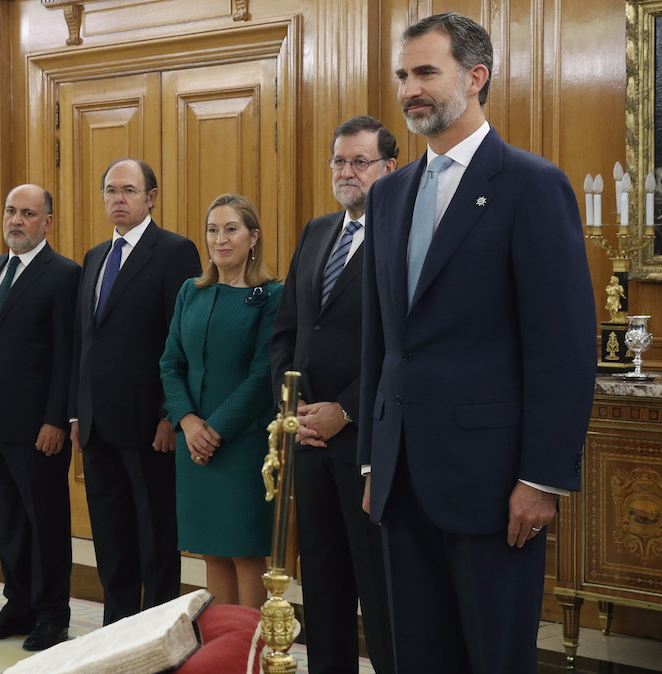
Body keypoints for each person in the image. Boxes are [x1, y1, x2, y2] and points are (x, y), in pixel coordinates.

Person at [357, 13, 596, 672]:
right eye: (404, 75)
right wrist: (374, 460)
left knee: (493, 658)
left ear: (476, 77)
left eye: (426, 72)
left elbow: (564, 346)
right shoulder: (388, 196)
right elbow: (380, 339)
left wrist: (542, 478)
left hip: (494, 486)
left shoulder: (530, 184)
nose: (410, 89)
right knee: (415, 658)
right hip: (401, 479)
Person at [269, 115, 395, 674]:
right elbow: (288, 332)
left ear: (389, 168)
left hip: (368, 443)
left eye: (360, 162)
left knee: (379, 588)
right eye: (340, 161)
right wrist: (293, 406)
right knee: (321, 582)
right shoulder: (318, 232)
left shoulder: (404, 235)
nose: (348, 172)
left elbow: (401, 347)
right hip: (310, 445)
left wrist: (343, 410)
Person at [70, 157, 202, 625]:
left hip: (150, 422)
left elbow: (181, 339)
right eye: (110, 191)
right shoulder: (93, 257)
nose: (117, 199)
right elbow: (83, 343)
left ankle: (158, 628)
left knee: (154, 532)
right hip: (96, 421)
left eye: (128, 190)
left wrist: (171, 414)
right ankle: (117, 624)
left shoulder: (174, 251)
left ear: (150, 197)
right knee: (109, 532)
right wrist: (75, 413)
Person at [0, 184, 80, 651]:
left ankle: (53, 614)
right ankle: (18, 604)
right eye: (10, 211)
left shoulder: (64, 274)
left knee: (45, 522)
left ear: (47, 222)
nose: (16, 220)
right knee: (8, 521)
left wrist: (56, 418)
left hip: (38, 429)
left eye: (27, 213)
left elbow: (67, 355)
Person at [159, 194, 282, 609]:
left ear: (253, 238)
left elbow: (264, 374)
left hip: (242, 444)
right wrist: (189, 424)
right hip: (193, 444)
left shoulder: (272, 296)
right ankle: (225, 655)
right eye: (213, 229)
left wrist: (215, 429)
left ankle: (253, 656)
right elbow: (170, 363)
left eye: (231, 229)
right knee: (212, 551)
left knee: (245, 553)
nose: (220, 239)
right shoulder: (190, 292)